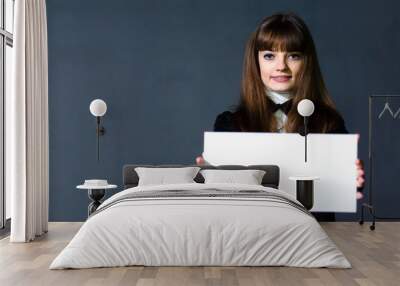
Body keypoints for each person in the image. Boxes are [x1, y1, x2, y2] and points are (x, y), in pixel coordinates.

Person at [196, 12, 365, 221]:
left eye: (293, 55)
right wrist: (208, 177)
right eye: (269, 55)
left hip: (314, 233)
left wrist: (351, 179)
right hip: (248, 231)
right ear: (255, 61)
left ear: (307, 61)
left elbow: (344, 183)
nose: (281, 66)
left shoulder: (328, 122)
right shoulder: (229, 122)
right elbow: (223, 197)